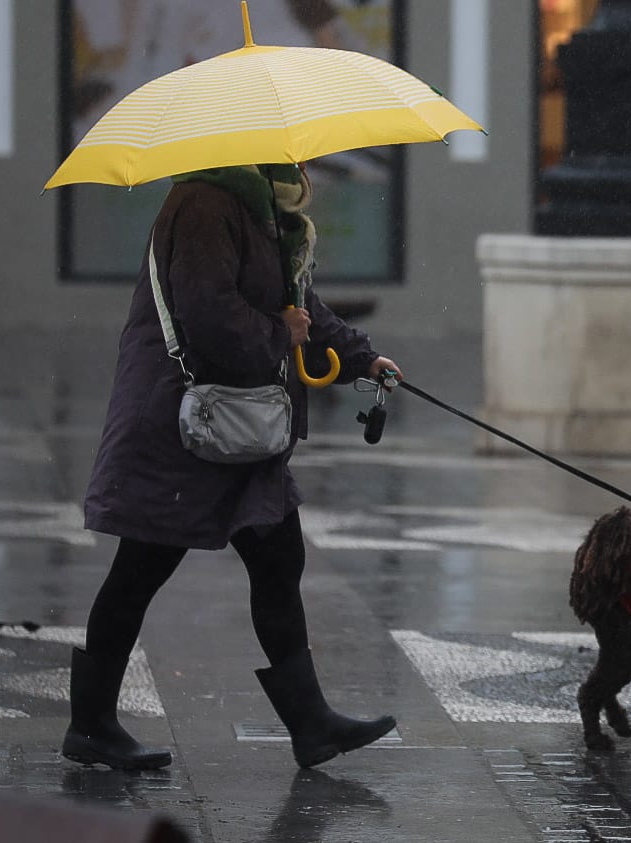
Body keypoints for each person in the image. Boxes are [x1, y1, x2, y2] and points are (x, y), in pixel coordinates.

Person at [63, 162, 399, 771]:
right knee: (140, 568)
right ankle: (90, 725)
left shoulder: (266, 212)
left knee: (277, 560)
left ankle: (311, 724)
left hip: (237, 423)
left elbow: (298, 304)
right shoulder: (202, 205)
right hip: (183, 424)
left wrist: (362, 357)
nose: (300, 163)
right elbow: (211, 315)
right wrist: (282, 332)